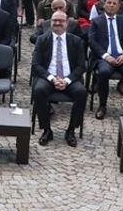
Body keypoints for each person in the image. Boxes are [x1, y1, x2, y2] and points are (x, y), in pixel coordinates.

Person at [31, 10, 87, 147]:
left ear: (67, 23)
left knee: (81, 92)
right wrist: (52, 79)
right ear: (50, 23)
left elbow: (81, 66)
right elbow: (36, 64)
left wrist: (67, 80)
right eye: (54, 20)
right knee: (38, 90)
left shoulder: (76, 41)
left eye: (60, 21)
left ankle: (71, 130)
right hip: (48, 78)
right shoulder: (42, 40)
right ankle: (46, 129)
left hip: (69, 78)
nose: (57, 23)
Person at [88, 0, 123, 119]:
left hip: (122, 56)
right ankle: (102, 105)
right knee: (103, 72)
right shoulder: (97, 21)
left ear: (119, 6)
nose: (111, 5)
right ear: (104, 4)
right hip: (105, 57)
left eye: (114, 3)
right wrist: (105, 56)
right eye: (109, 3)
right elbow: (92, 41)